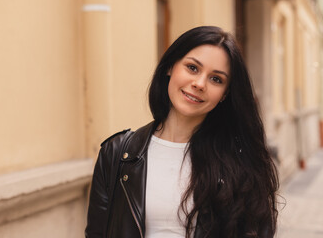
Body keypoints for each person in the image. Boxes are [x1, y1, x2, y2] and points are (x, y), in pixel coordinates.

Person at [85, 26, 279, 238]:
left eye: (216, 79)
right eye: (192, 68)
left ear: (225, 94)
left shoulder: (240, 163)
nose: (199, 84)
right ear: (170, 67)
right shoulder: (117, 153)